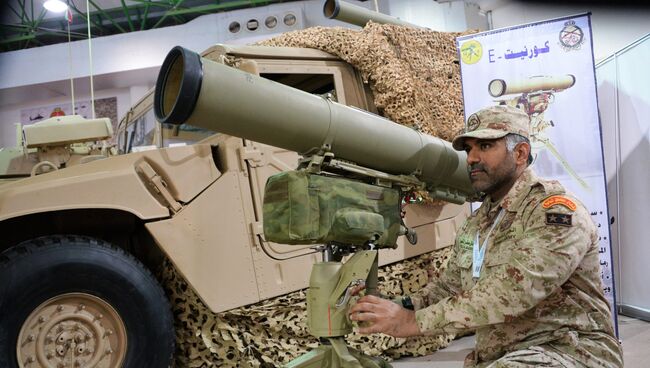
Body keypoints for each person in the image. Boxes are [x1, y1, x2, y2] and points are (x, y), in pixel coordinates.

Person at [349, 105, 623, 367]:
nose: (472, 158)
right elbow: (450, 288)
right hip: (504, 355)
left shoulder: (554, 212)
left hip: (569, 350)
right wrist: (399, 305)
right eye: (469, 149)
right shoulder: (479, 222)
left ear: (520, 153)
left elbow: (514, 292)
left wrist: (412, 321)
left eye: (486, 146)